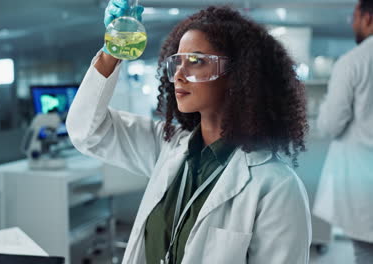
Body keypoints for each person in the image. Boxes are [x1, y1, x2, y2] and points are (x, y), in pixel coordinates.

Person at [66, 3, 311, 264]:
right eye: (177, 62)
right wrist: (112, 50)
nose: (179, 75)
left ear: (238, 76)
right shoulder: (169, 146)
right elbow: (87, 130)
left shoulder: (277, 186)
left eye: (195, 61)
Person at [313, 0, 373, 263]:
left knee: (365, 252)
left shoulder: (353, 63)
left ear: (368, 17)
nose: (352, 22)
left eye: (355, 16)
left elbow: (330, 124)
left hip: (363, 185)